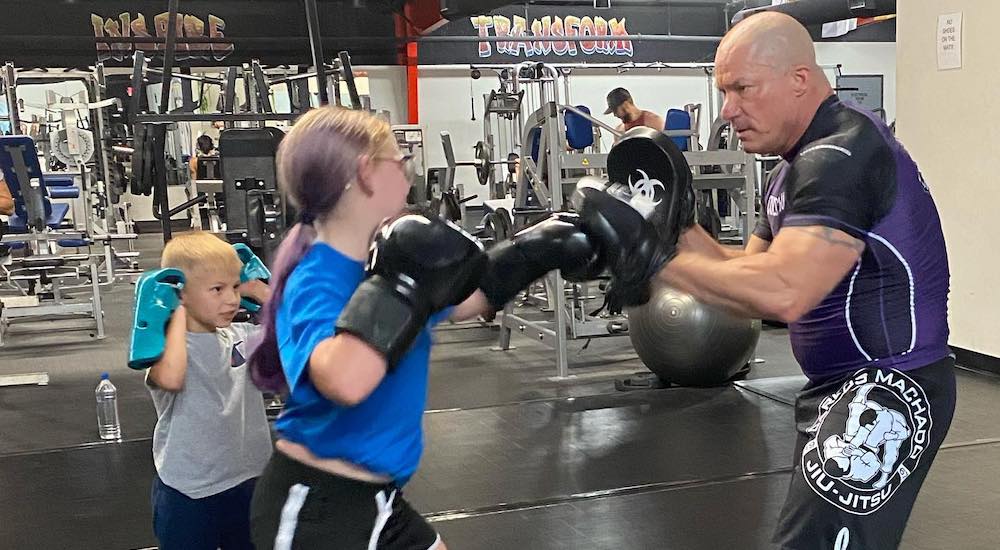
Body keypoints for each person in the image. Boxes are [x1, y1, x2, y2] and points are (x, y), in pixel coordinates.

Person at [575, 12, 955, 550]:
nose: (728, 111)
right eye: (723, 92)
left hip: (887, 390)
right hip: (837, 387)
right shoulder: (791, 169)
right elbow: (744, 276)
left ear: (798, 79)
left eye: (741, 89)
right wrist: (672, 225)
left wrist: (649, 259)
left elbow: (785, 291)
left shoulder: (841, 155)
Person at [246, 107, 609, 550]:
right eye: (401, 163)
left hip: (378, 500)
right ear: (366, 174)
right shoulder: (316, 277)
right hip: (317, 510)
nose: (408, 176)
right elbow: (344, 379)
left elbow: (468, 300)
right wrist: (402, 283)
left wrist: (538, 249)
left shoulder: (382, 264)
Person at [145, 231, 274, 550]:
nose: (231, 299)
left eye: (234, 286)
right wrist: (171, 311)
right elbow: (171, 379)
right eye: (217, 289)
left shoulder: (243, 334)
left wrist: (259, 289)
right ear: (180, 293)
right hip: (188, 492)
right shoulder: (168, 349)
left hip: (248, 483)